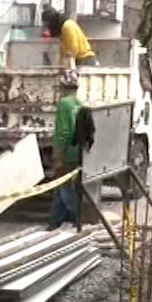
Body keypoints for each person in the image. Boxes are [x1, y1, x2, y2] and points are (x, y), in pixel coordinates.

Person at [48, 69, 85, 231]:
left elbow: (63, 132)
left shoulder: (64, 104)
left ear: (63, 87)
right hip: (78, 152)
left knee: (64, 187)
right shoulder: (80, 104)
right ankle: (54, 220)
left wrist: (58, 156)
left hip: (67, 153)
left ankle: (79, 217)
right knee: (60, 187)